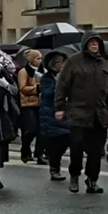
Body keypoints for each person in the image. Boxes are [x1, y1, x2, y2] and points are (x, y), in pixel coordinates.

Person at [55, 32, 108, 194]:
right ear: (85, 44)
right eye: (91, 42)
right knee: (77, 146)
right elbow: (62, 85)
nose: (94, 45)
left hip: (99, 113)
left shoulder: (105, 63)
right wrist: (60, 107)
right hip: (79, 111)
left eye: (97, 42)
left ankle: (92, 180)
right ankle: (74, 176)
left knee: (96, 150)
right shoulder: (74, 61)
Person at [39, 51, 71, 181]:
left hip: (65, 114)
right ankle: (54, 168)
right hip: (50, 114)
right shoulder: (47, 78)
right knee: (56, 144)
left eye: (63, 62)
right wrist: (59, 86)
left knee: (67, 139)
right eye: (58, 62)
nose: (62, 65)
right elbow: (47, 93)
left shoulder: (66, 76)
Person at [17, 50, 45, 165]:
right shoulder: (23, 72)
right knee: (30, 130)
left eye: (41, 58)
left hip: (41, 104)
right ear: (32, 59)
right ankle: (25, 149)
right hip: (28, 104)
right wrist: (37, 88)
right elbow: (22, 88)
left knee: (41, 132)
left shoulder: (43, 71)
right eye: (38, 58)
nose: (40, 61)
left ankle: (39, 154)